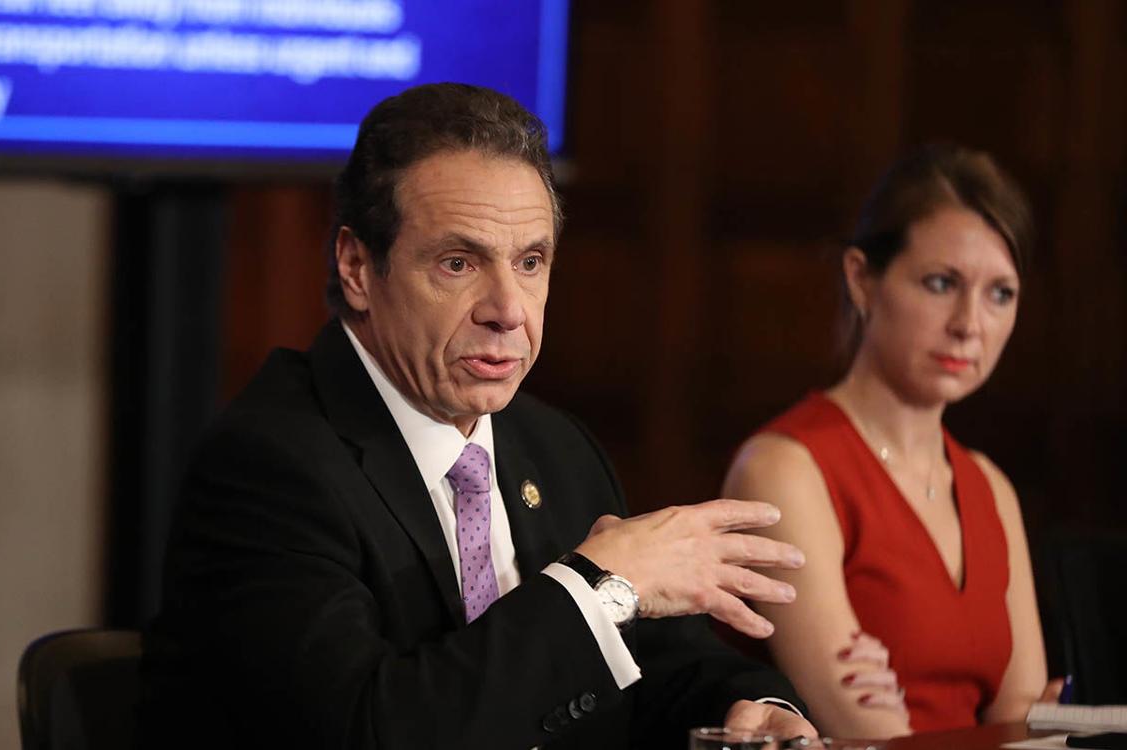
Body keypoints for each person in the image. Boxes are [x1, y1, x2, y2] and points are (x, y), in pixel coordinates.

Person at [140, 83, 816, 749]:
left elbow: (658, 664)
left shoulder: (555, 447)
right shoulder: (268, 467)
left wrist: (751, 707)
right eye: (459, 263)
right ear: (357, 267)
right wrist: (595, 586)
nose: (509, 310)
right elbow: (368, 728)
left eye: (530, 262)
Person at [723, 144, 1054, 739]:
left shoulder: (991, 486)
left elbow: (1023, 717)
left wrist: (1029, 726)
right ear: (862, 280)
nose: (970, 324)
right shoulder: (783, 468)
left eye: (1000, 294)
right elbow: (868, 731)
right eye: (941, 283)